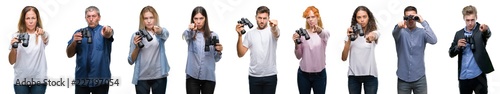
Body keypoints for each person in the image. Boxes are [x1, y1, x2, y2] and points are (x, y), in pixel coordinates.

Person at [66, 6, 114, 94]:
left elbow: (109, 33)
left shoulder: (103, 31)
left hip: (101, 79)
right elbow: (69, 54)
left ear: (99, 17)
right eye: (88, 16)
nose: (91, 19)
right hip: (82, 79)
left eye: (94, 16)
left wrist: (108, 32)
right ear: (85, 18)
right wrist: (74, 42)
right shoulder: (78, 33)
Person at [448, 5, 494, 94]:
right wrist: (458, 47)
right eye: (467, 20)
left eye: (472, 20)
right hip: (463, 77)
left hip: (478, 76)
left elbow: (487, 34)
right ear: (464, 19)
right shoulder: (459, 34)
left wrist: (486, 29)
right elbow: (450, 53)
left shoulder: (480, 29)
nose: (470, 23)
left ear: (476, 17)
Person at [392, 6, 437, 94]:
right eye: (408, 17)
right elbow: (394, 33)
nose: (410, 19)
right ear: (404, 18)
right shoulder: (400, 32)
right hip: (403, 78)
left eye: (413, 16)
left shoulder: (423, 32)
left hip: (419, 77)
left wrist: (423, 22)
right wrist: (398, 26)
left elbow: (434, 40)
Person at [236, 6, 280, 94]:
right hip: (254, 76)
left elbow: (276, 32)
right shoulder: (250, 34)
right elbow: (240, 54)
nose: (262, 21)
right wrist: (240, 35)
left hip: (270, 75)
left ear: (268, 19)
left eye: (264, 18)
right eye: (259, 18)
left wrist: (274, 27)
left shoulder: (272, 31)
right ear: (256, 17)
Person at [128, 6, 170, 94]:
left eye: (151, 17)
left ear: (155, 18)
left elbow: (166, 34)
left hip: (159, 76)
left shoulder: (160, 33)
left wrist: (160, 30)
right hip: (141, 77)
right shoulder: (136, 36)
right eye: (146, 18)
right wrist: (137, 47)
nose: (149, 21)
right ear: (142, 20)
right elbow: (130, 61)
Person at [9, 6, 49, 94]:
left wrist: (42, 33)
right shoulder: (16, 36)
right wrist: (13, 48)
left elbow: (45, 38)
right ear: (23, 20)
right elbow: (11, 61)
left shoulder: (42, 35)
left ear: (37, 19)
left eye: (33, 18)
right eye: (27, 18)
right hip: (21, 79)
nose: (30, 21)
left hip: (39, 79)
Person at [182, 6, 223, 94]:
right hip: (192, 76)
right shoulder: (191, 34)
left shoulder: (213, 35)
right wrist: (190, 29)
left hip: (208, 76)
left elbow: (216, 59)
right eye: (196, 18)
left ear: (205, 19)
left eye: (201, 18)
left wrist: (219, 51)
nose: (198, 21)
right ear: (192, 19)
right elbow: (185, 36)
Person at [341, 6, 380, 94]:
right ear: (355, 19)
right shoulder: (350, 35)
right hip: (353, 76)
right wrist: (349, 39)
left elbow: (375, 34)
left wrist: (371, 37)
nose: (362, 20)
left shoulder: (374, 32)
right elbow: (343, 58)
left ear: (369, 17)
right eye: (359, 17)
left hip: (370, 75)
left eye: (364, 17)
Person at [292, 6, 330, 94]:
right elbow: (298, 56)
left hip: (319, 75)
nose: (310, 20)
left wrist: (319, 29)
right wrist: (296, 43)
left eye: (313, 17)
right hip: (303, 75)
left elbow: (324, 34)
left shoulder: (324, 33)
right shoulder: (302, 34)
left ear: (318, 17)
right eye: (308, 17)